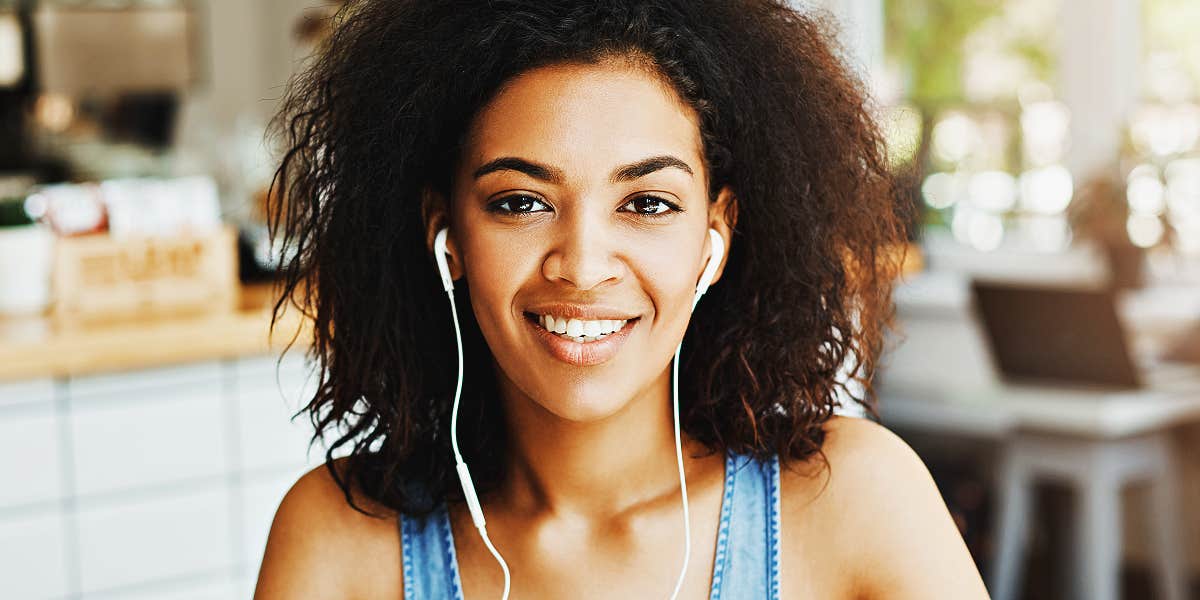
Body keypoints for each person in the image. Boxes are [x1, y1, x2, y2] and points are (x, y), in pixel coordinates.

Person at [254, 1, 990, 598]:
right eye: (519, 201)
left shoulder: (855, 501)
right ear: (446, 234)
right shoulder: (338, 541)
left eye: (645, 204)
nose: (581, 266)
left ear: (715, 236)